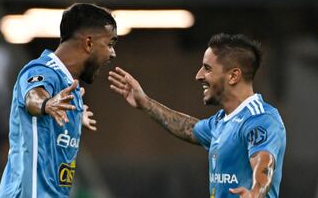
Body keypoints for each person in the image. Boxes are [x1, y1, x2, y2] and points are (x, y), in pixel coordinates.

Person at [108, 33, 286, 198]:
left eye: (207, 69)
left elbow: (264, 163)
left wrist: (255, 193)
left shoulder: (260, 118)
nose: (198, 75)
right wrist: (146, 103)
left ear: (233, 76)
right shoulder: (221, 121)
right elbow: (189, 128)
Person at [0, 3, 117, 198]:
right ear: (88, 43)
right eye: (110, 44)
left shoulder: (69, 88)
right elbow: (33, 96)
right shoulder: (42, 70)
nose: (113, 53)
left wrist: (76, 116)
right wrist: (46, 104)